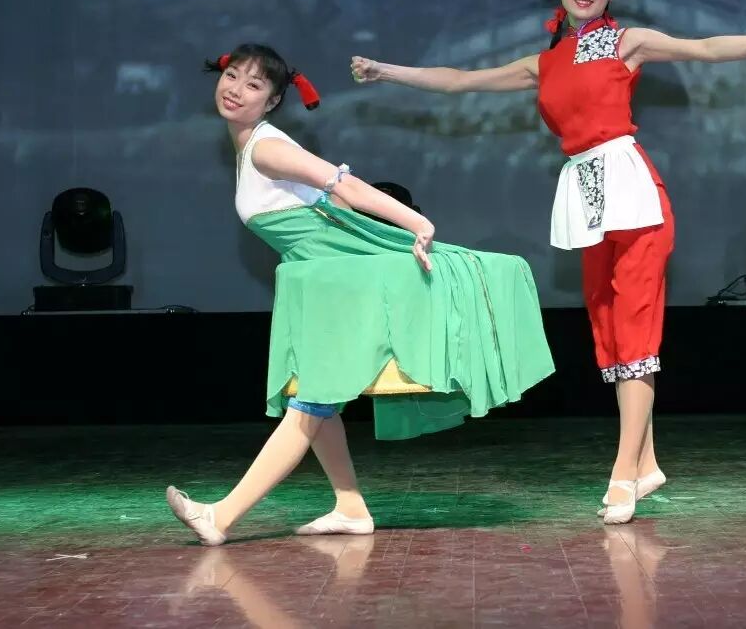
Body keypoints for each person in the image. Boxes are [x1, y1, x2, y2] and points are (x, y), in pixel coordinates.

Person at [350, 0, 746, 523]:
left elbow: (705, 47)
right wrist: (385, 70)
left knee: (634, 331)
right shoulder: (545, 62)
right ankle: (647, 463)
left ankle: (622, 474)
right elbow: (460, 80)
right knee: (609, 331)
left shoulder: (626, 41)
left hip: (633, 197)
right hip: (585, 198)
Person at [166, 44, 553, 545]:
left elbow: (345, 189)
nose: (236, 90)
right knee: (313, 396)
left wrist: (416, 223)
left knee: (311, 402)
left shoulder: (266, 148)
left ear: (273, 100)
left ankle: (220, 517)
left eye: (254, 84)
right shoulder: (251, 147)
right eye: (233, 76)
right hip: (323, 278)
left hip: (342, 277)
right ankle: (349, 507)